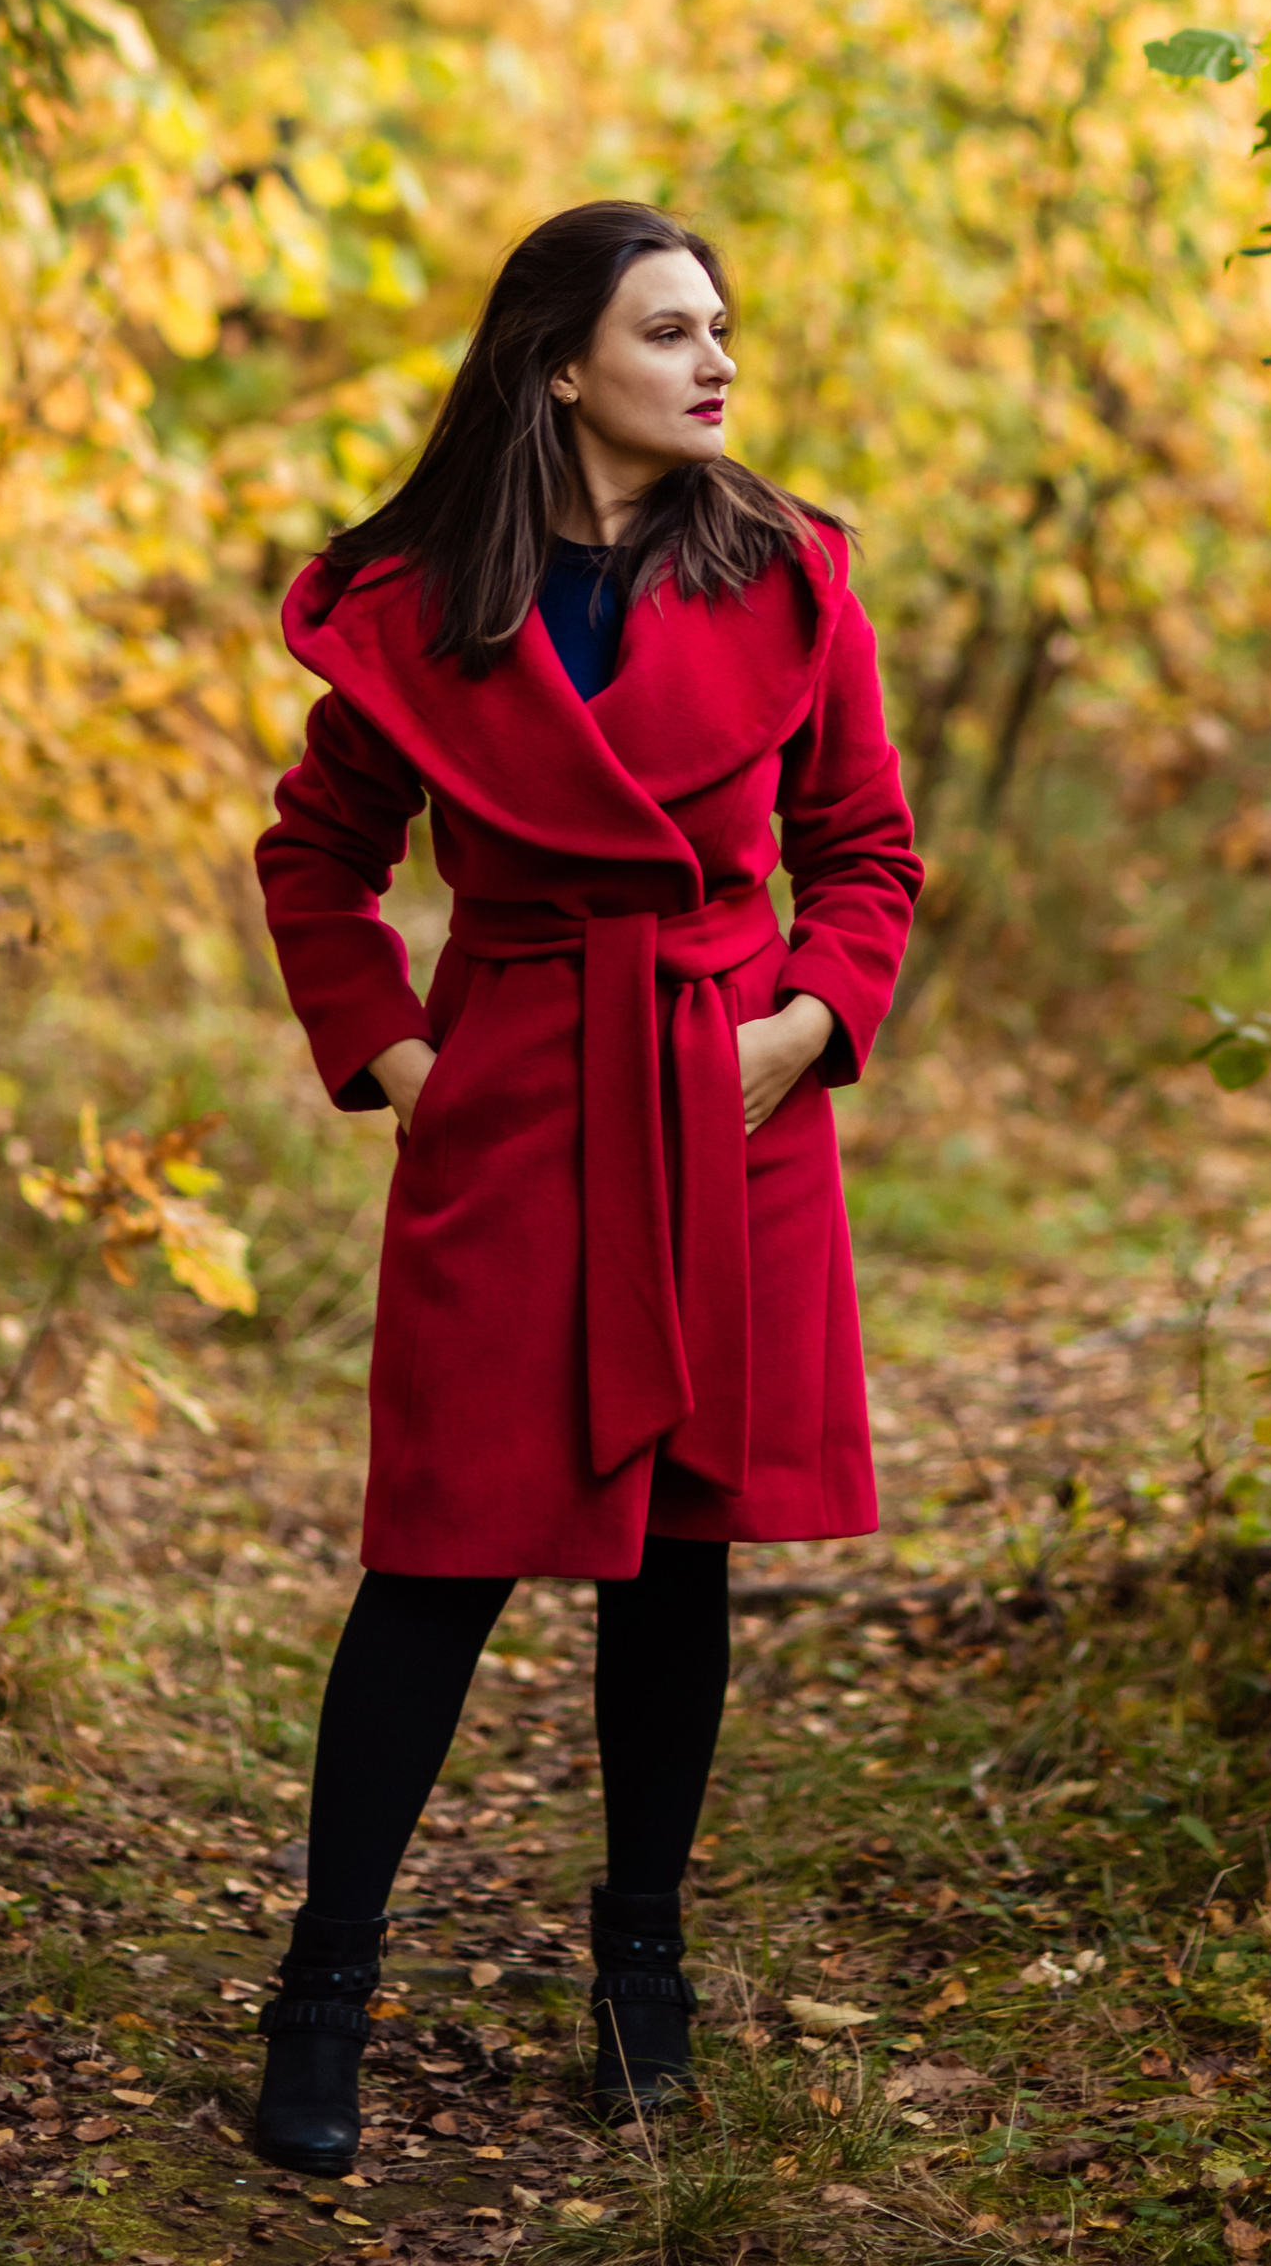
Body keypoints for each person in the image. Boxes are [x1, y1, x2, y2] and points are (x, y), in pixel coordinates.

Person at [247, 199, 921, 2173]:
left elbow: (865, 851)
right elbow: (318, 858)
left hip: (727, 1098)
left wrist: (799, 1036)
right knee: (437, 1554)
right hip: (521, 1093)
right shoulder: (420, 599)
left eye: (721, 327)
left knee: (677, 1551)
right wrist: (403, 1064)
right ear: (559, 364)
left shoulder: (791, 577)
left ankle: (641, 1956)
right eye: (665, 332)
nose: (713, 363)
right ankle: (324, 1980)